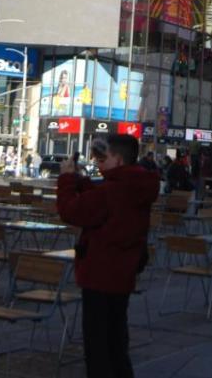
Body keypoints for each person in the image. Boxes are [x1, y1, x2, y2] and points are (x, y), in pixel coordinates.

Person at [58, 133, 160, 378]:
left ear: (119, 159)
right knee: (115, 341)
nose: (99, 163)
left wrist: (67, 180)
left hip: (99, 272)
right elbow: (103, 197)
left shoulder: (113, 191)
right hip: (122, 272)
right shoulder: (136, 185)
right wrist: (82, 183)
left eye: (104, 158)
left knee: (98, 346)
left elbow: (71, 211)